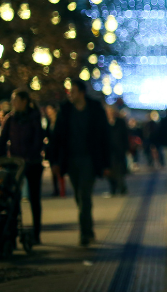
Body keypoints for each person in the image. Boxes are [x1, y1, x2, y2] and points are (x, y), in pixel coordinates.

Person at [49, 79, 111, 247]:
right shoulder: (66, 110)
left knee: (84, 195)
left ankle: (85, 233)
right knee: (79, 195)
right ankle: (88, 228)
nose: (70, 95)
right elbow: (57, 137)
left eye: (73, 91)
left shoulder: (95, 109)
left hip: (89, 160)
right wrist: (54, 161)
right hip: (71, 159)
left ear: (82, 93)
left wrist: (106, 164)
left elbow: (105, 137)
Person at [0, 89, 45, 244]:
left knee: (34, 198)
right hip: (15, 164)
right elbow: (2, 141)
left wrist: (30, 156)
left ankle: (36, 233)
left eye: (16, 100)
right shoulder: (10, 119)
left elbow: (38, 139)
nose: (13, 103)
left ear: (24, 101)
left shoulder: (34, 117)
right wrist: (2, 159)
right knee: (12, 198)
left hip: (32, 163)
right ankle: (12, 232)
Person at [106, 105, 130, 195]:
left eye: (111, 111)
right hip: (108, 151)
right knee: (110, 170)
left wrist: (126, 148)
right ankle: (113, 188)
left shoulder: (120, 122)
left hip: (119, 150)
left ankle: (122, 187)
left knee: (119, 169)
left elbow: (125, 136)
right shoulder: (104, 122)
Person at [44, 103, 65, 197]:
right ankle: (56, 189)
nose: (48, 112)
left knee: (60, 169)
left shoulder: (59, 121)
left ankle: (62, 190)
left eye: (50, 110)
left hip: (59, 149)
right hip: (51, 150)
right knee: (53, 170)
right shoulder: (49, 122)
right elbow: (46, 134)